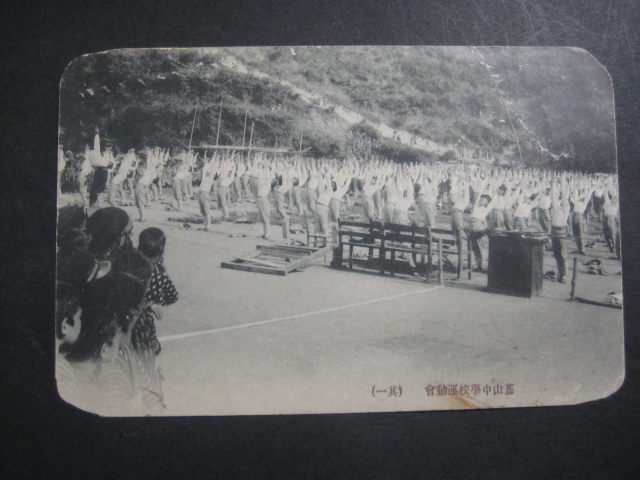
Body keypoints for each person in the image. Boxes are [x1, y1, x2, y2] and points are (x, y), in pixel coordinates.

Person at [550, 180, 571, 283]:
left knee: (563, 255)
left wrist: (562, 189)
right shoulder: (557, 209)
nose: (561, 203)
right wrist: (554, 184)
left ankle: (565, 275)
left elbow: (564, 199)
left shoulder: (566, 209)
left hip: (561, 231)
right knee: (556, 254)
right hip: (553, 231)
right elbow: (553, 197)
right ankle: (560, 273)